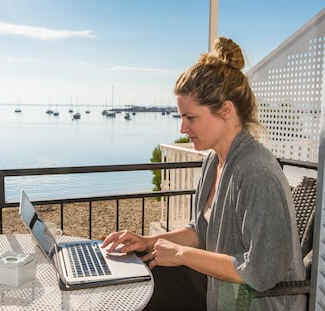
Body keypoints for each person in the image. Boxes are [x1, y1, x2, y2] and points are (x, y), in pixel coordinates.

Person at [101, 37, 306, 310]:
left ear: (226, 111)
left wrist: (181, 254)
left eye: (191, 118)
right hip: (221, 290)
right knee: (137, 284)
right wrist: (147, 241)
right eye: (181, 117)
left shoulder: (257, 172)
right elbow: (202, 229)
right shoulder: (214, 161)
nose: (182, 129)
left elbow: (261, 271)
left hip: (253, 302)